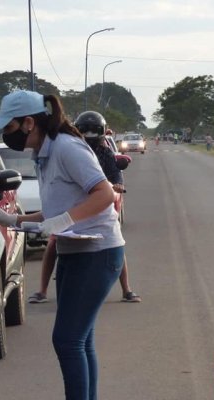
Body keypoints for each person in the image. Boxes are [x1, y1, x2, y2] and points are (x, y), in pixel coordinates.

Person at [0, 90, 126, 400]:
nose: (7, 135)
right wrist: (12, 220)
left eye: (9, 128)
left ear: (29, 123)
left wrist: (63, 222)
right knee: (80, 340)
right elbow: (57, 209)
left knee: (67, 340)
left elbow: (104, 194)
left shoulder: (67, 148)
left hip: (98, 253)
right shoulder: (45, 154)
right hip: (75, 252)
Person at [28, 110, 141, 304]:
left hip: (98, 205)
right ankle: (42, 290)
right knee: (54, 242)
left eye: (93, 129)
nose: (89, 134)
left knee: (114, 241)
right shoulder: (68, 149)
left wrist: (113, 186)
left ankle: (127, 289)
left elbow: (114, 179)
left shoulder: (105, 152)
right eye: (85, 129)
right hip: (73, 206)